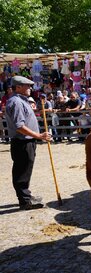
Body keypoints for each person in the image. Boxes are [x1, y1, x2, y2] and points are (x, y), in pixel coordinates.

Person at [5, 76, 52, 210]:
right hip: (22, 142)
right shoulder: (16, 102)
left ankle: (26, 196)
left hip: (26, 141)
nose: (30, 88)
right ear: (18, 87)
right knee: (22, 171)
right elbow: (19, 126)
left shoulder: (21, 101)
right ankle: (25, 201)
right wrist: (38, 135)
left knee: (25, 169)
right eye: (27, 86)